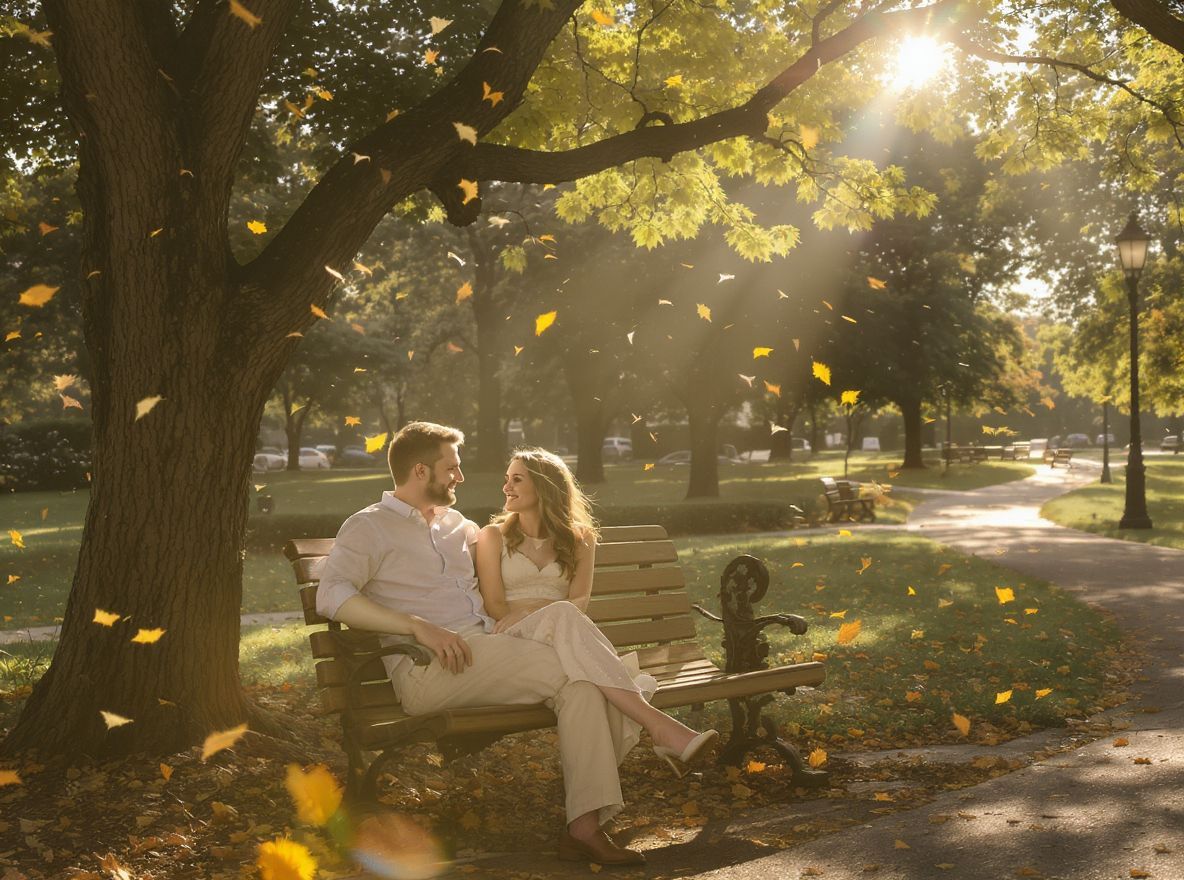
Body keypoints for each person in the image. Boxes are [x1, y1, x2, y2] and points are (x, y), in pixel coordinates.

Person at [315, 423, 671, 866]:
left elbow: (510, 555)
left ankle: (583, 828)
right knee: (582, 665)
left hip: (487, 652)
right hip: (429, 669)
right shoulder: (370, 527)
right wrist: (415, 626)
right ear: (421, 471)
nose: (460, 478)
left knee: (580, 687)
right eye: (452, 468)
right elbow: (330, 596)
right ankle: (653, 719)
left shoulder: (458, 527)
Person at [474, 448, 716, 777]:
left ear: (545, 486)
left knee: (584, 676)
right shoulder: (493, 536)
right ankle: (657, 725)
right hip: (513, 638)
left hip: (566, 637)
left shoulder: (581, 538)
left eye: (517, 479)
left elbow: (579, 601)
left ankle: (589, 804)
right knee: (564, 617)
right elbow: (495, 606)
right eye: (506, 479)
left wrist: (536, 607)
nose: (506, 487)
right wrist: (544, 611)